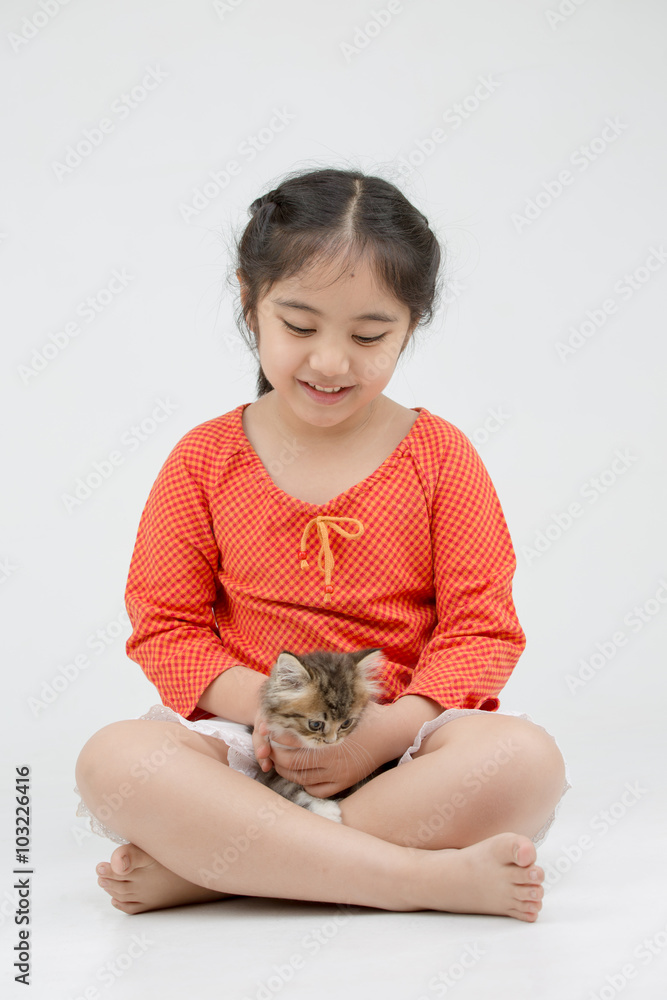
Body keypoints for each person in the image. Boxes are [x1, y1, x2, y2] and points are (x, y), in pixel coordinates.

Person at [74, 166, 570, 921]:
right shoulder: (205, 459)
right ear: (250, 303)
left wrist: (381, 736)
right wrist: (264, 716)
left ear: (411, 323)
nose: (331, 363)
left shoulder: (439, 456)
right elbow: (166, 626)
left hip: (402, 748)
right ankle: (420, 881)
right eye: (299, 327)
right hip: (246, 745)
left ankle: (220, 869)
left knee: (526, 763)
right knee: (112, 762)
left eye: (369, 335)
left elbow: (480, 629)